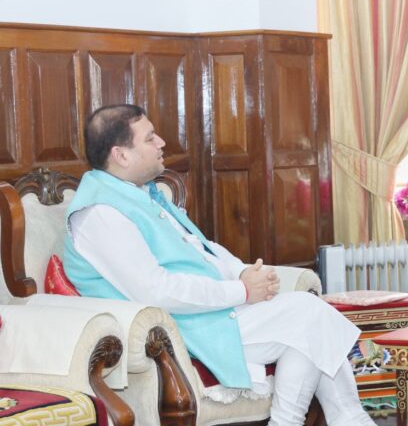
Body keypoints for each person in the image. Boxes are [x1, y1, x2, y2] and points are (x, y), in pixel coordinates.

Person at [62, 104, 375, 426]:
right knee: (309, 316)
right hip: (173, 329)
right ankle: (342, 418)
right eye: (150, 138)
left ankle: (333, 419)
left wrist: (240, 272)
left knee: (309, 323)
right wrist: (240, 291)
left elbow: (201, 248)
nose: (162, 144)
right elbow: (156, 290)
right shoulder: (101, 213)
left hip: (206, 312)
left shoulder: (140, 194)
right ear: (122, 155)